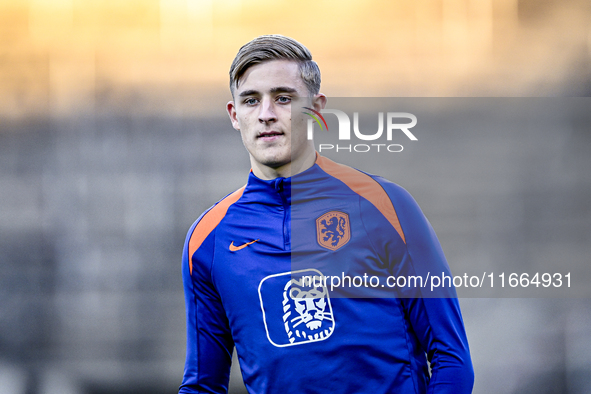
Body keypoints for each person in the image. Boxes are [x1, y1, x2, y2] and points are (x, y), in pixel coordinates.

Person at [179, 35, 474, 393]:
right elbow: (203, 386)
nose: (266, 113)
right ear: (234, 115)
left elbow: (451, 359)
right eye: (251, 100)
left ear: (316, 109)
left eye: (283, 98)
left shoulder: (384, 206)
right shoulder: (207, 240)